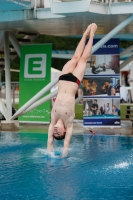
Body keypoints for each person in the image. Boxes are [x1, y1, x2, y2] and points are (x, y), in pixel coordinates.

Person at [47, 23, 97, 157]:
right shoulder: (69, 123)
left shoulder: (52, 120)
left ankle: (84, 35)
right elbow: (66, 144)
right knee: (83, 59)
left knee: (75, 57)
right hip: (74, 81)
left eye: (54, 132)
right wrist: (62, 159)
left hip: (63, 79)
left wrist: (50, 156)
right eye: (59, 133)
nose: (56, 130)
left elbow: (49, 142)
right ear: (64, 131)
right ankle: (91, 35)